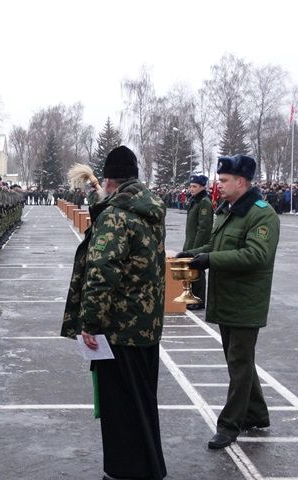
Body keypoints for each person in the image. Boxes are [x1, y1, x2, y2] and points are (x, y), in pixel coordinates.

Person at [61, 145, 167, 480]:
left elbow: (102, 271)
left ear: (109, 181)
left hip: (119, 328)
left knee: (119, 408)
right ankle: (149, 467)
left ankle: (124, 471)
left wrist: (90, 323)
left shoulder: (116, 216)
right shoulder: (148, 208)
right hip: (146, 325)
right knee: (142, 403)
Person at [178, 154, 279, 449]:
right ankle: (256, 413)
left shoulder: (261, 214)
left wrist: (210, 259)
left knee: (238, 363)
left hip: (246, 302)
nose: (218, 185)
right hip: (226, 299)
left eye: (223, 180)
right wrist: (192, 255)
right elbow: (216, 244)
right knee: (240, 362)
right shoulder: (228, 210)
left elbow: (256, 255)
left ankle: (229, 425)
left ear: (241, 181)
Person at [183, 175, 214, 310]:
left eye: (194, 186)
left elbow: (204, 228)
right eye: (190, 186)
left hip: (197, 244)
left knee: (198, 272)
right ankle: (192, 297)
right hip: (190, 242)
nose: (191, 189)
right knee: (192, 271)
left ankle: (199, 300)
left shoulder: (204, 202)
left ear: (202, 187)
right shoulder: (195, 200)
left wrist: (196, 248)